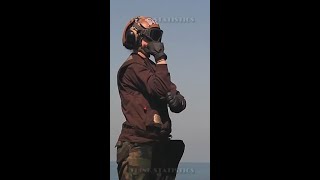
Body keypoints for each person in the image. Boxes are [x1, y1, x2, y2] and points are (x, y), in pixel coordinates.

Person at [115, 16, 187, 180]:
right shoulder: (132, 67)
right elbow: (160, 88)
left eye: (158, 36)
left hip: (158, 144)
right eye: (152, 36)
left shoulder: (153, 68)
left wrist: (179, 101)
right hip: (138, 145)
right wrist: (161, 58)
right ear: (136, 37)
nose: (157, 41)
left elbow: (172, 90)